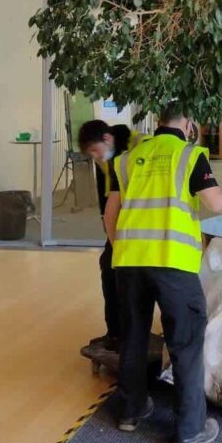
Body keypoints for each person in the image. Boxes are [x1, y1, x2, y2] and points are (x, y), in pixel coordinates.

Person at [104, 104, 222, 443]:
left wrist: (123, 248)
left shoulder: (128, 158)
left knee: (133, 336)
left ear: (159, 122)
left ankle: (131, 412)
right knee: (186, 342)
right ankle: (188, 430)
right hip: (173, 263)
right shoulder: (189, 154)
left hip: (130, 262)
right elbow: (216, 202)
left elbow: (111, 213)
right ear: (189, 124)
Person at [78, 119, 143, 352]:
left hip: (142, 226)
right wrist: (111, 235)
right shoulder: (106, 159)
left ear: (107, 139)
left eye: (95, 151)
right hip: (119, 226)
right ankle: (115, 333)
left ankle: (134, 333)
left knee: (134, 280)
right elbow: (105, 196)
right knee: (109, 269)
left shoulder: (138, 146)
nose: (95, 158)